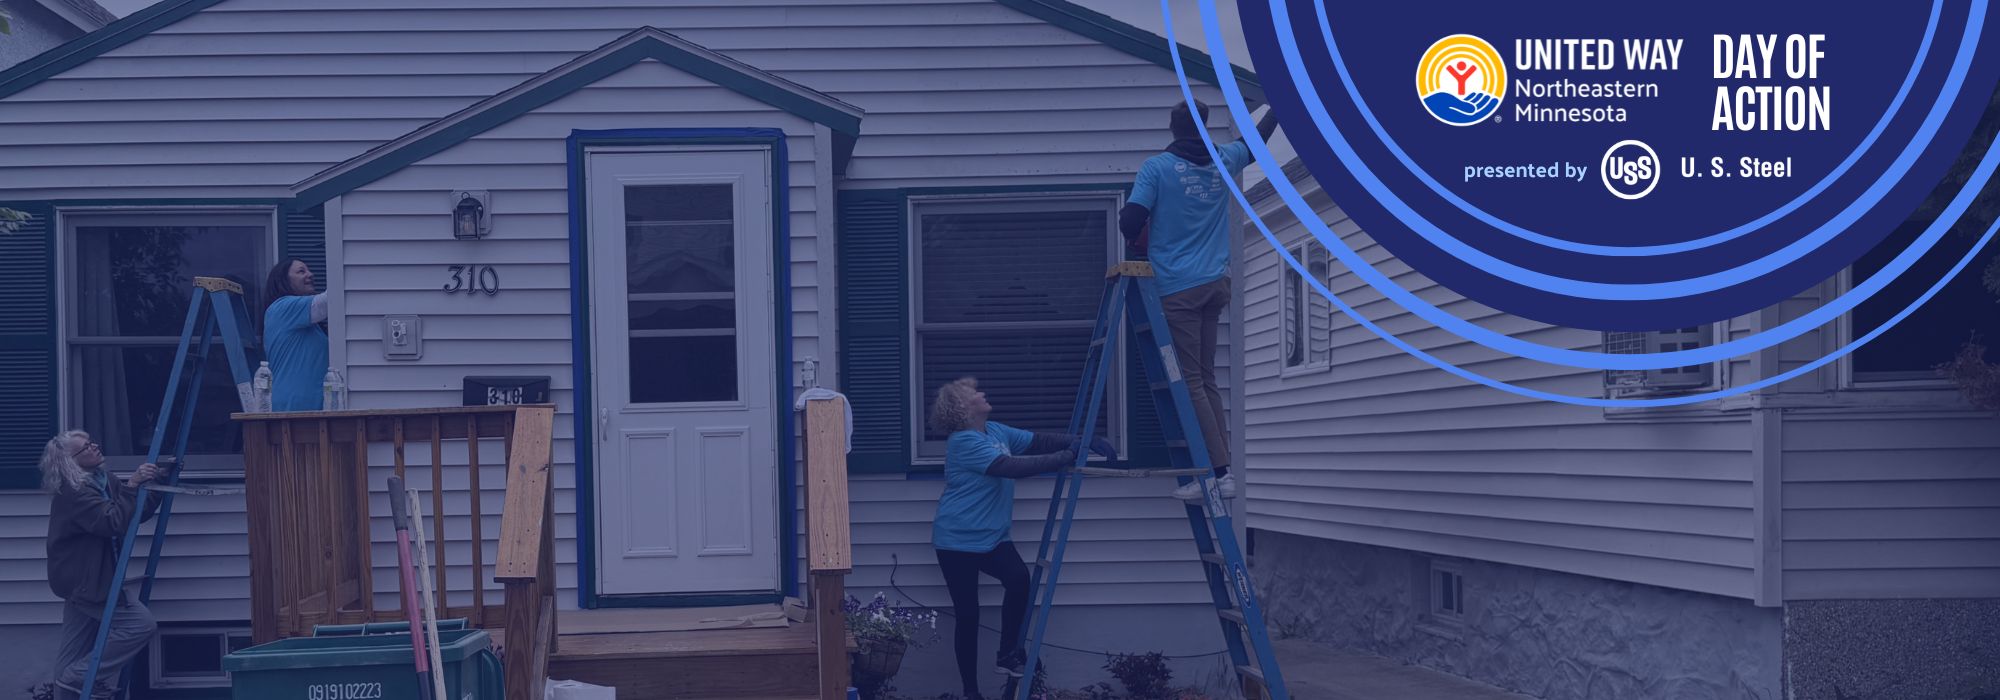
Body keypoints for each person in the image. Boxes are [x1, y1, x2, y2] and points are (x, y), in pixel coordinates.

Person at [1120, 100, 1279, 501]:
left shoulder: (1156, 169)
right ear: (1204, 127)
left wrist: (1150, 228)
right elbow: (1256, 140)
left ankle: (1215, 474)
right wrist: (1279, 106)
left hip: (1178, 287)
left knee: (1190, 382)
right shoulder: (1223, 157)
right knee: (1205, 380)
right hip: (1215, 283)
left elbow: (1129, 222)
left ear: (1173, 129)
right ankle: (1221, 473)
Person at [929, 378, 1115, 699]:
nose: (982, 392)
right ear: (962, 407)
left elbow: (1040, 441)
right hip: (956, 540)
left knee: (1018, 580)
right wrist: (1069, 455)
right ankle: (971, 692)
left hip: (993, 537)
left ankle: (1007, 654)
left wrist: (1086, 440)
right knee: (969, 615)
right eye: (975, 392)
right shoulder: (962, 442)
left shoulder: (997, 431)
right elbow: (1010, 467)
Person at [43, 431, 161, 700]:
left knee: (74, 650)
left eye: (93, 442)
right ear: (70, 461)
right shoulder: (73, 491)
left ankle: (66, 687)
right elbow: (111, 522)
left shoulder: (102, 479)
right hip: (86, 581)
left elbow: (130, 512)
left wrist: (154, 484)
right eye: (86, 447)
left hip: (86, 578)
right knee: (140, 625)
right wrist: (132, 484)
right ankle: (80, 677)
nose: (95, 447)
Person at [262, 259, 329, 412]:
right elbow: (327, 302)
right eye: (301, 271)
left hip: (306, 407)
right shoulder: (282, 307)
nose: (310, 274)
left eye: (309, 270)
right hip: (294, 408)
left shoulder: (308, 323)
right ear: (283, 280)